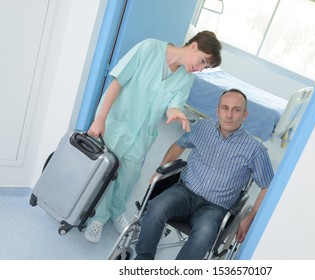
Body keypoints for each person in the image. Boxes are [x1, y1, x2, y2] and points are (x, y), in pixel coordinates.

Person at [84, 31, 222, 243]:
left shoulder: (186, 78)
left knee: (128, 176)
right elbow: (117, 83)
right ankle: (98, 218)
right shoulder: (148, 48)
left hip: (142, 134)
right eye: (202, 61)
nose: (200, 68)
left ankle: (116, 211)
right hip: (117, 124)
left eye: (205, 67)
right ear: (193, 46)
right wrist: (100, 119)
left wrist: (175, 112)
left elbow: (173, 105)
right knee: (108, 172)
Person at [135, 89, 274, 260]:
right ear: (217, 110)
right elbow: (179, 144)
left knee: (204, 235)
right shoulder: (202, 127)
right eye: (225, 108)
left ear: (245, 115)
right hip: (184, 192)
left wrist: (250, 218)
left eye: (236, 110)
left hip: (214, 208)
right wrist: (161, 169)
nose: (229, 115)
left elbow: (267, 186)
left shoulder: (255, 150)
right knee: (156, 207)